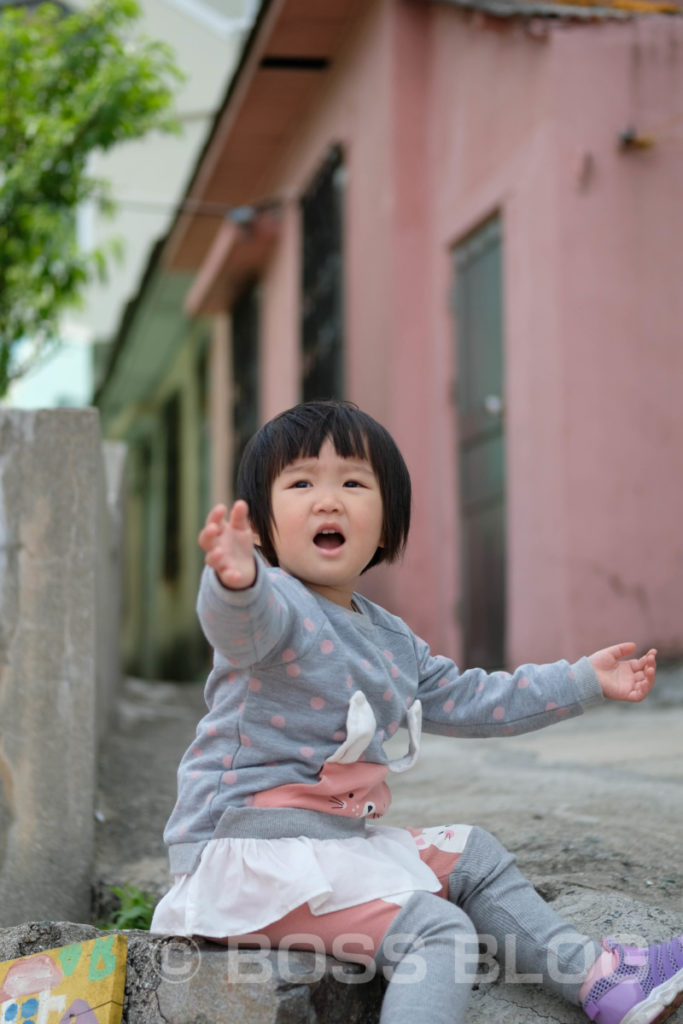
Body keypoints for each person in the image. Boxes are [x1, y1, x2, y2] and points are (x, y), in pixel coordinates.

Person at [151, 400, 683, 1024]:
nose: (328, 501)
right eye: (300, 484)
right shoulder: (277, 605)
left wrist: (582, 680)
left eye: (353, 482)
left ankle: (600, 980)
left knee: (475, 854)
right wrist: (234, 582)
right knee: (442, 935)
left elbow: (474, 700)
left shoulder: (388, 638)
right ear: (263, 527)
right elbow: (238, 628)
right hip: (252, 854)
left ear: (386, 525)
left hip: (330, 842)